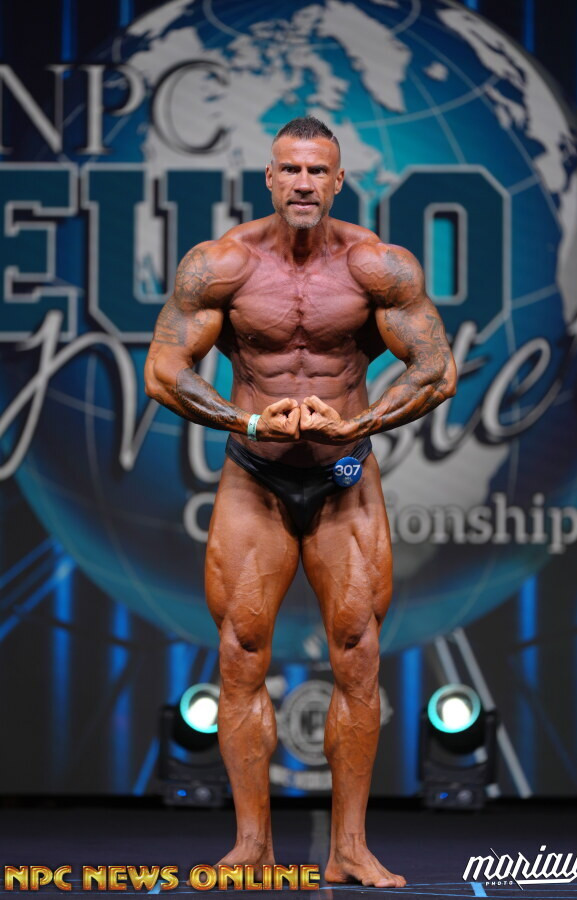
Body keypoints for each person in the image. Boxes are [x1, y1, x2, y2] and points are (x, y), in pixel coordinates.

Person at [144, 116, 457, 888]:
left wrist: (358, 424)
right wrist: (247, 420)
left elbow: (436, 369)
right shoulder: (221, 265)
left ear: (340, 180)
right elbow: (163, 371)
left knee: (358, 654)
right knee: (240, 653)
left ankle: (349, 848)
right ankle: (252, 846)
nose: (305, 183)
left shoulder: (377, 266)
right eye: (291, 169)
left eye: (319, 171)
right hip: (255, 473)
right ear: (270, 176)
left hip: (345, 474)